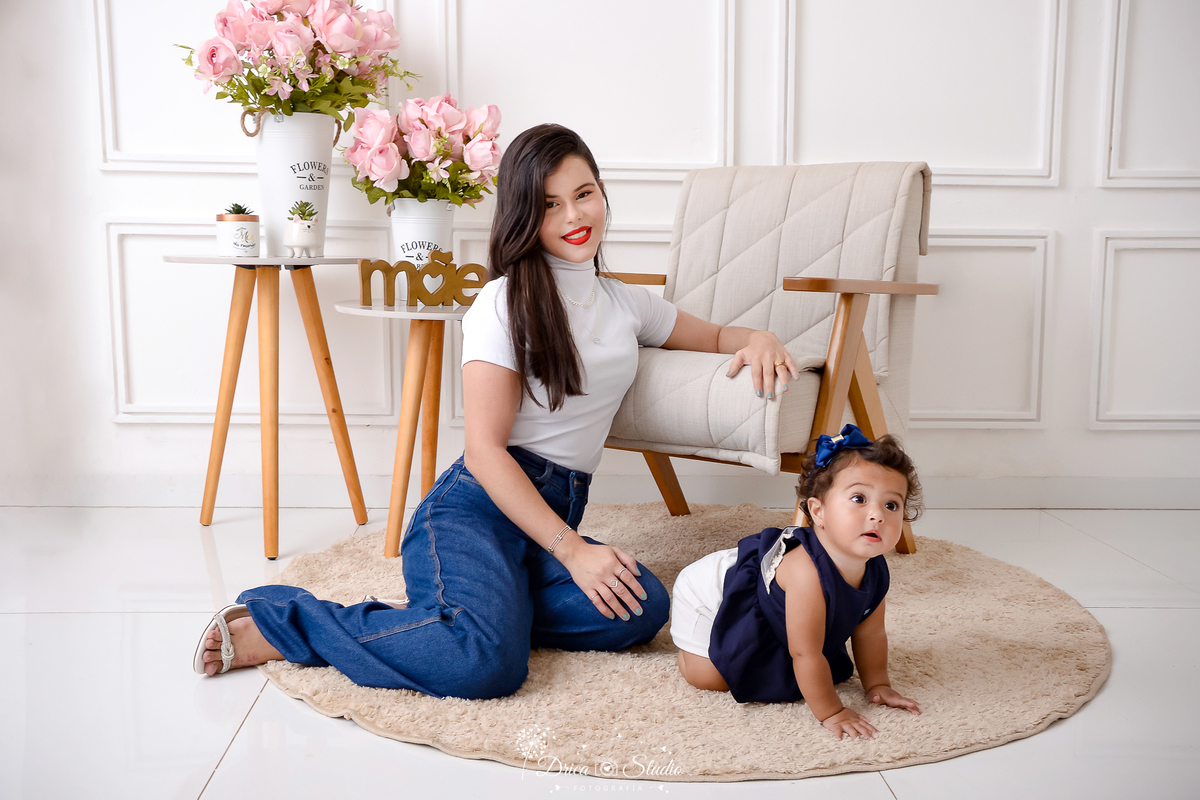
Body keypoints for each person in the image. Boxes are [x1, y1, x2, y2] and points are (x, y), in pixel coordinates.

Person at [193, 123, 800, 699]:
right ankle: (279, 621)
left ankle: (480, 612)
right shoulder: (501, 302)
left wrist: (760, 338)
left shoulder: (627, 304)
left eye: (584, 194)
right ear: (523, 216)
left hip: (551, 508)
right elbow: (485, 451)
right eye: (549, 204)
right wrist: (572, 551)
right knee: (485, 667)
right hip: (478, 507)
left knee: (641, 608)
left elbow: (718, 335)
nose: (574, 216)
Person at [670, 424, 923, 739]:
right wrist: (832, 711)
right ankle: (686, 650)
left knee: (812, 659)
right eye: (859, 498)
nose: (877, 515)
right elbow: (805, 653)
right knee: (712, 676)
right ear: (818, 512)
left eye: (891, 505)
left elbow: (870, 633)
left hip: (781, 606)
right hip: (713, 592)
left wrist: (879, 684)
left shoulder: (875, 569)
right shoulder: (806, 573)